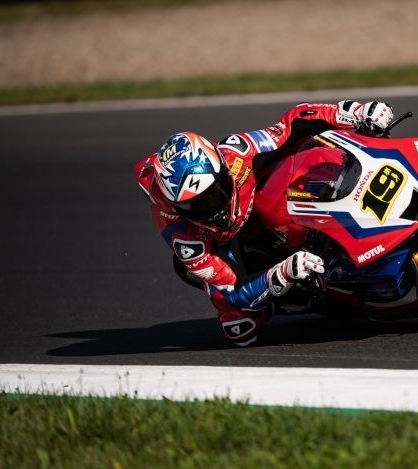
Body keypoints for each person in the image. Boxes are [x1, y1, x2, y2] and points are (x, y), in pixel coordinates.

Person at [135, 100, 394, 346]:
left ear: (223, 170)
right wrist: (282, 274)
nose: (213, 209)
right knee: (239, 326)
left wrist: (355, 112)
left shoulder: (238, 153)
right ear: (178, 209)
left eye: (215, 194)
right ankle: (285, 296)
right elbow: (231, 291)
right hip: (227, 245)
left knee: (310, 153)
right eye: (197, 206)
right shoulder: (186, 239)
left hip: (266, 202)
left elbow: (294, 124)